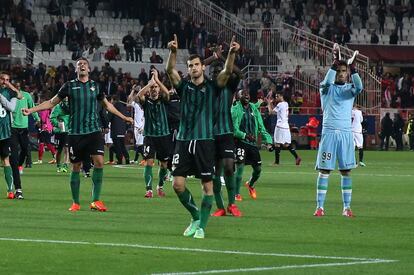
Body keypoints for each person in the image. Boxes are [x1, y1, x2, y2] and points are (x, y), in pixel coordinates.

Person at [22, 58, 133, 212]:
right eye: (79, 65)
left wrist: (124, 117)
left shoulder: (95, 86)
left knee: (99, 162)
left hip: (93, 130)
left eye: (84, 64)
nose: (82, 66)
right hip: (75, 132)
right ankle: (75, 202)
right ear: (76, 70)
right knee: (76, 166)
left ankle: (96, 200)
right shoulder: (69, 86)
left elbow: (107, 105)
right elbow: (51, 102)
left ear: (88, 69)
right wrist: (31, 110)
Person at [166, 34, 239, 239]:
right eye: (190, 66)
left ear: (203, 67)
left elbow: (226, 72)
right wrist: (172, 52)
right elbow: (169, 70)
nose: (193, 68)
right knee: (177, 184)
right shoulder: (184, 88)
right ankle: (196, 215)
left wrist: (231, 54)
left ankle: (202, 227)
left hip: (205, 142)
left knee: (207, 186)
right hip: (183, 141)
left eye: (196, 65)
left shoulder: (213, 87)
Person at [313, 44, 363, 218]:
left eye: (344, 71)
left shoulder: (349, 90)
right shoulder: (326, 89)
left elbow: (360, 87)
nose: (342, 74)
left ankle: (346, 208)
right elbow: (327, 81)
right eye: (339, 71)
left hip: (346, 134)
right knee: (325, 171)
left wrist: (353, 68)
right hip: (329, 133)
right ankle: (320, 207)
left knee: (346, 171)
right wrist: (335, 63)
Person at [207, 53, 242, 217]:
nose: (216, 74)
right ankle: (220, 207)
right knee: (215, 171)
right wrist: (210, 60)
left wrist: (223, 58)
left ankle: (232, 204)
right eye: (214, 72)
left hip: (227, 133)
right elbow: (191, 72)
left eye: (220, 71)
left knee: (229, 167)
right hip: (210, 135)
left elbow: (239, 74)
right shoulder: (206, 88)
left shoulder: (230, 86)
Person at [132, 69, 170, 198]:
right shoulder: (146, 101)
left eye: (156, 87)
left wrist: (157, 80)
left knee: (164, 164)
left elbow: (167, 94)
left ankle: (160, 186)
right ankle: (149, 189)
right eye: (152, 87)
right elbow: (138, 97)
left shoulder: (164, 99)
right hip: (150, 136)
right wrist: (149, 84)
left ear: (159, 89)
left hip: (164, 135)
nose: (154, 89)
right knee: (149, 162)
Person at [232, 90, 273, 201]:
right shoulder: (235, 110)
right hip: (241, 143)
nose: (246, 95)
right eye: (243, 94)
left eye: (248, 94)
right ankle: (236, 194)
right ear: (238, 97)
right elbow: (234, 130)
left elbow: (261, 127)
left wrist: (269, 142)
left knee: (258, 169)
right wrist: (245, 135)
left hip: (252, 144)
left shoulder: (254, 109)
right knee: (239, 169)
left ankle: (250, 184)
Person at [11, 81, 39, 199]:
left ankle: (19, 166)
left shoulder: (26, 96)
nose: (16, 88)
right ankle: (18, 189)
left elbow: (32, 107)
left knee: (24, 149)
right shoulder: (9, 97)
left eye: (17, 86)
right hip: (12, 128)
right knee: (14, 157)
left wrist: (37, 118)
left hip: (23, 128)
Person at [0, 73, 22, 199]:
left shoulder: (10, 92)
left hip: (4, 132)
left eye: (7, 80)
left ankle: (10, 189)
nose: (5, 81)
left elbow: (19, 96)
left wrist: (11, 86)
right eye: (3, 79)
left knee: (6, 160)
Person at [266, 90, 301, 166]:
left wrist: (268, 103)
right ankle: (297, 157)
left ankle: (276, 162)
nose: (276, 98)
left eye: (277, 96)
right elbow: (275, 111)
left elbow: (271, 112)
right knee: (286, 144)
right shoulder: (285, 104)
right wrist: (271, 103)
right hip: (286, 126)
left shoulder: (280, 104)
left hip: (280, 126)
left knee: (277, 144)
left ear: (281, 96)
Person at [33, 96, 57, 165]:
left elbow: (43, 120)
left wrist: (39, 123)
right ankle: (54, 158)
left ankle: (40, 160)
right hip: (49, 128)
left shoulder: (44, 110)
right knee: (48, 143)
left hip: (44, 128)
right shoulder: (49, 110)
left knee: (42, 143)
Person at [50, 98, 70, 173]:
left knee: (67, 149)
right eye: (65, 100)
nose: (66, 102)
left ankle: (65, 165)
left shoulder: (71, 107)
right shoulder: (57, 107)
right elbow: (52, 118)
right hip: (59, 131)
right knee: (59, 150)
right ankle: (58, 165)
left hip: (68, 131)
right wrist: (58, 124)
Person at [127, 84, 145, 164]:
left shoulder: (144, 106)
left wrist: (143, 127)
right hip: (137, 127)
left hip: (141, 127)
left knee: (140, 144)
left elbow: (145, 118)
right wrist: (133, 90)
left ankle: (145, 159)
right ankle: (137, 160)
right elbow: (129, 102)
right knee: (138, 144)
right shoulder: (137, 106)